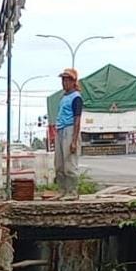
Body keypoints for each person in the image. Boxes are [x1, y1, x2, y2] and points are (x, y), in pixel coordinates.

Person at [54, 68, 83, 200]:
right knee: (59, 164)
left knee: (70, 164)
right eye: (63, 80)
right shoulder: (63, 97)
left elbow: (77, 119)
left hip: (70, 130)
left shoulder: (76, 98)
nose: (64, 82)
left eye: (67, 80)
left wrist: (74, 140)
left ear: (73, 82)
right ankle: (62, 190)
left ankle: (72, 192)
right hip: (60, 130)